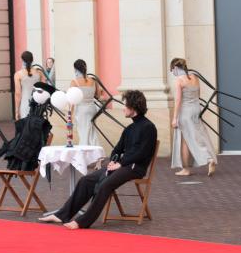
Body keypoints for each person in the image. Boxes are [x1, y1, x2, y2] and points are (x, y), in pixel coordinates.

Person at [39, 90, 157, 229]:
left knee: (105, 184)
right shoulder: (130, 128)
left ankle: (82, 221)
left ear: (133, 107)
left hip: (135, 168)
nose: (123, 108)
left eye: (125, 105)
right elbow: (117, 149)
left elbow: (142, 153)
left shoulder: (149, 128)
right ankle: (61, 215)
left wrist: (120, 164)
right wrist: (114, 160)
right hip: (121, 166)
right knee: (85, 181)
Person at [169, 58, 217, 177]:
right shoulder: (194, 77)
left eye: (172, 70)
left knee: (186, 140)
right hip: (196, 109)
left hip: (185, 112)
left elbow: (178, 100)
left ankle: (194, 165)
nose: (172, 72)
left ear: (175, 68)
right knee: (197, 136)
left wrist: (175, 118)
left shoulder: (179, 80)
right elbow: (198, 95)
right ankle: (194, 164)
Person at [69, 59, 106, 146]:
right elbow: (97, 95)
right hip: (92, 108)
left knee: (83, 133)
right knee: (91, 131)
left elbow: (72, 100)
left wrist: (70, 113)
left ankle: (84, 151)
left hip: (81, 110)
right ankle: (95, 150)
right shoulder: (93, 80)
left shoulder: (74, 82)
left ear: (75, 69)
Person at [14, 50, 45, 120]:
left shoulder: (18, 74)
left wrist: (17, 110)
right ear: (32, 60)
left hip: (25, 103)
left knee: (26, 127)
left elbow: (18, 94)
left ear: (22, 60)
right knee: (37, 127)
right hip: (38, 103)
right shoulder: (39, 73)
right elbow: (44, 89)